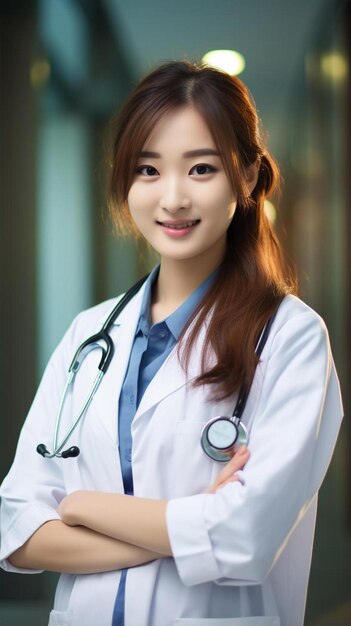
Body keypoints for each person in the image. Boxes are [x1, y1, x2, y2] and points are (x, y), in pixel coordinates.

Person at [0, 61, 343, 626]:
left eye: (202, 168)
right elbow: (20, 531)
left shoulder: (291, 338)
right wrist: (188, 526)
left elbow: (245, 540)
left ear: (249, 176)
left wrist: (82, 508)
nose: (174, 198)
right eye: (148, 170)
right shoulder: (90, 335)